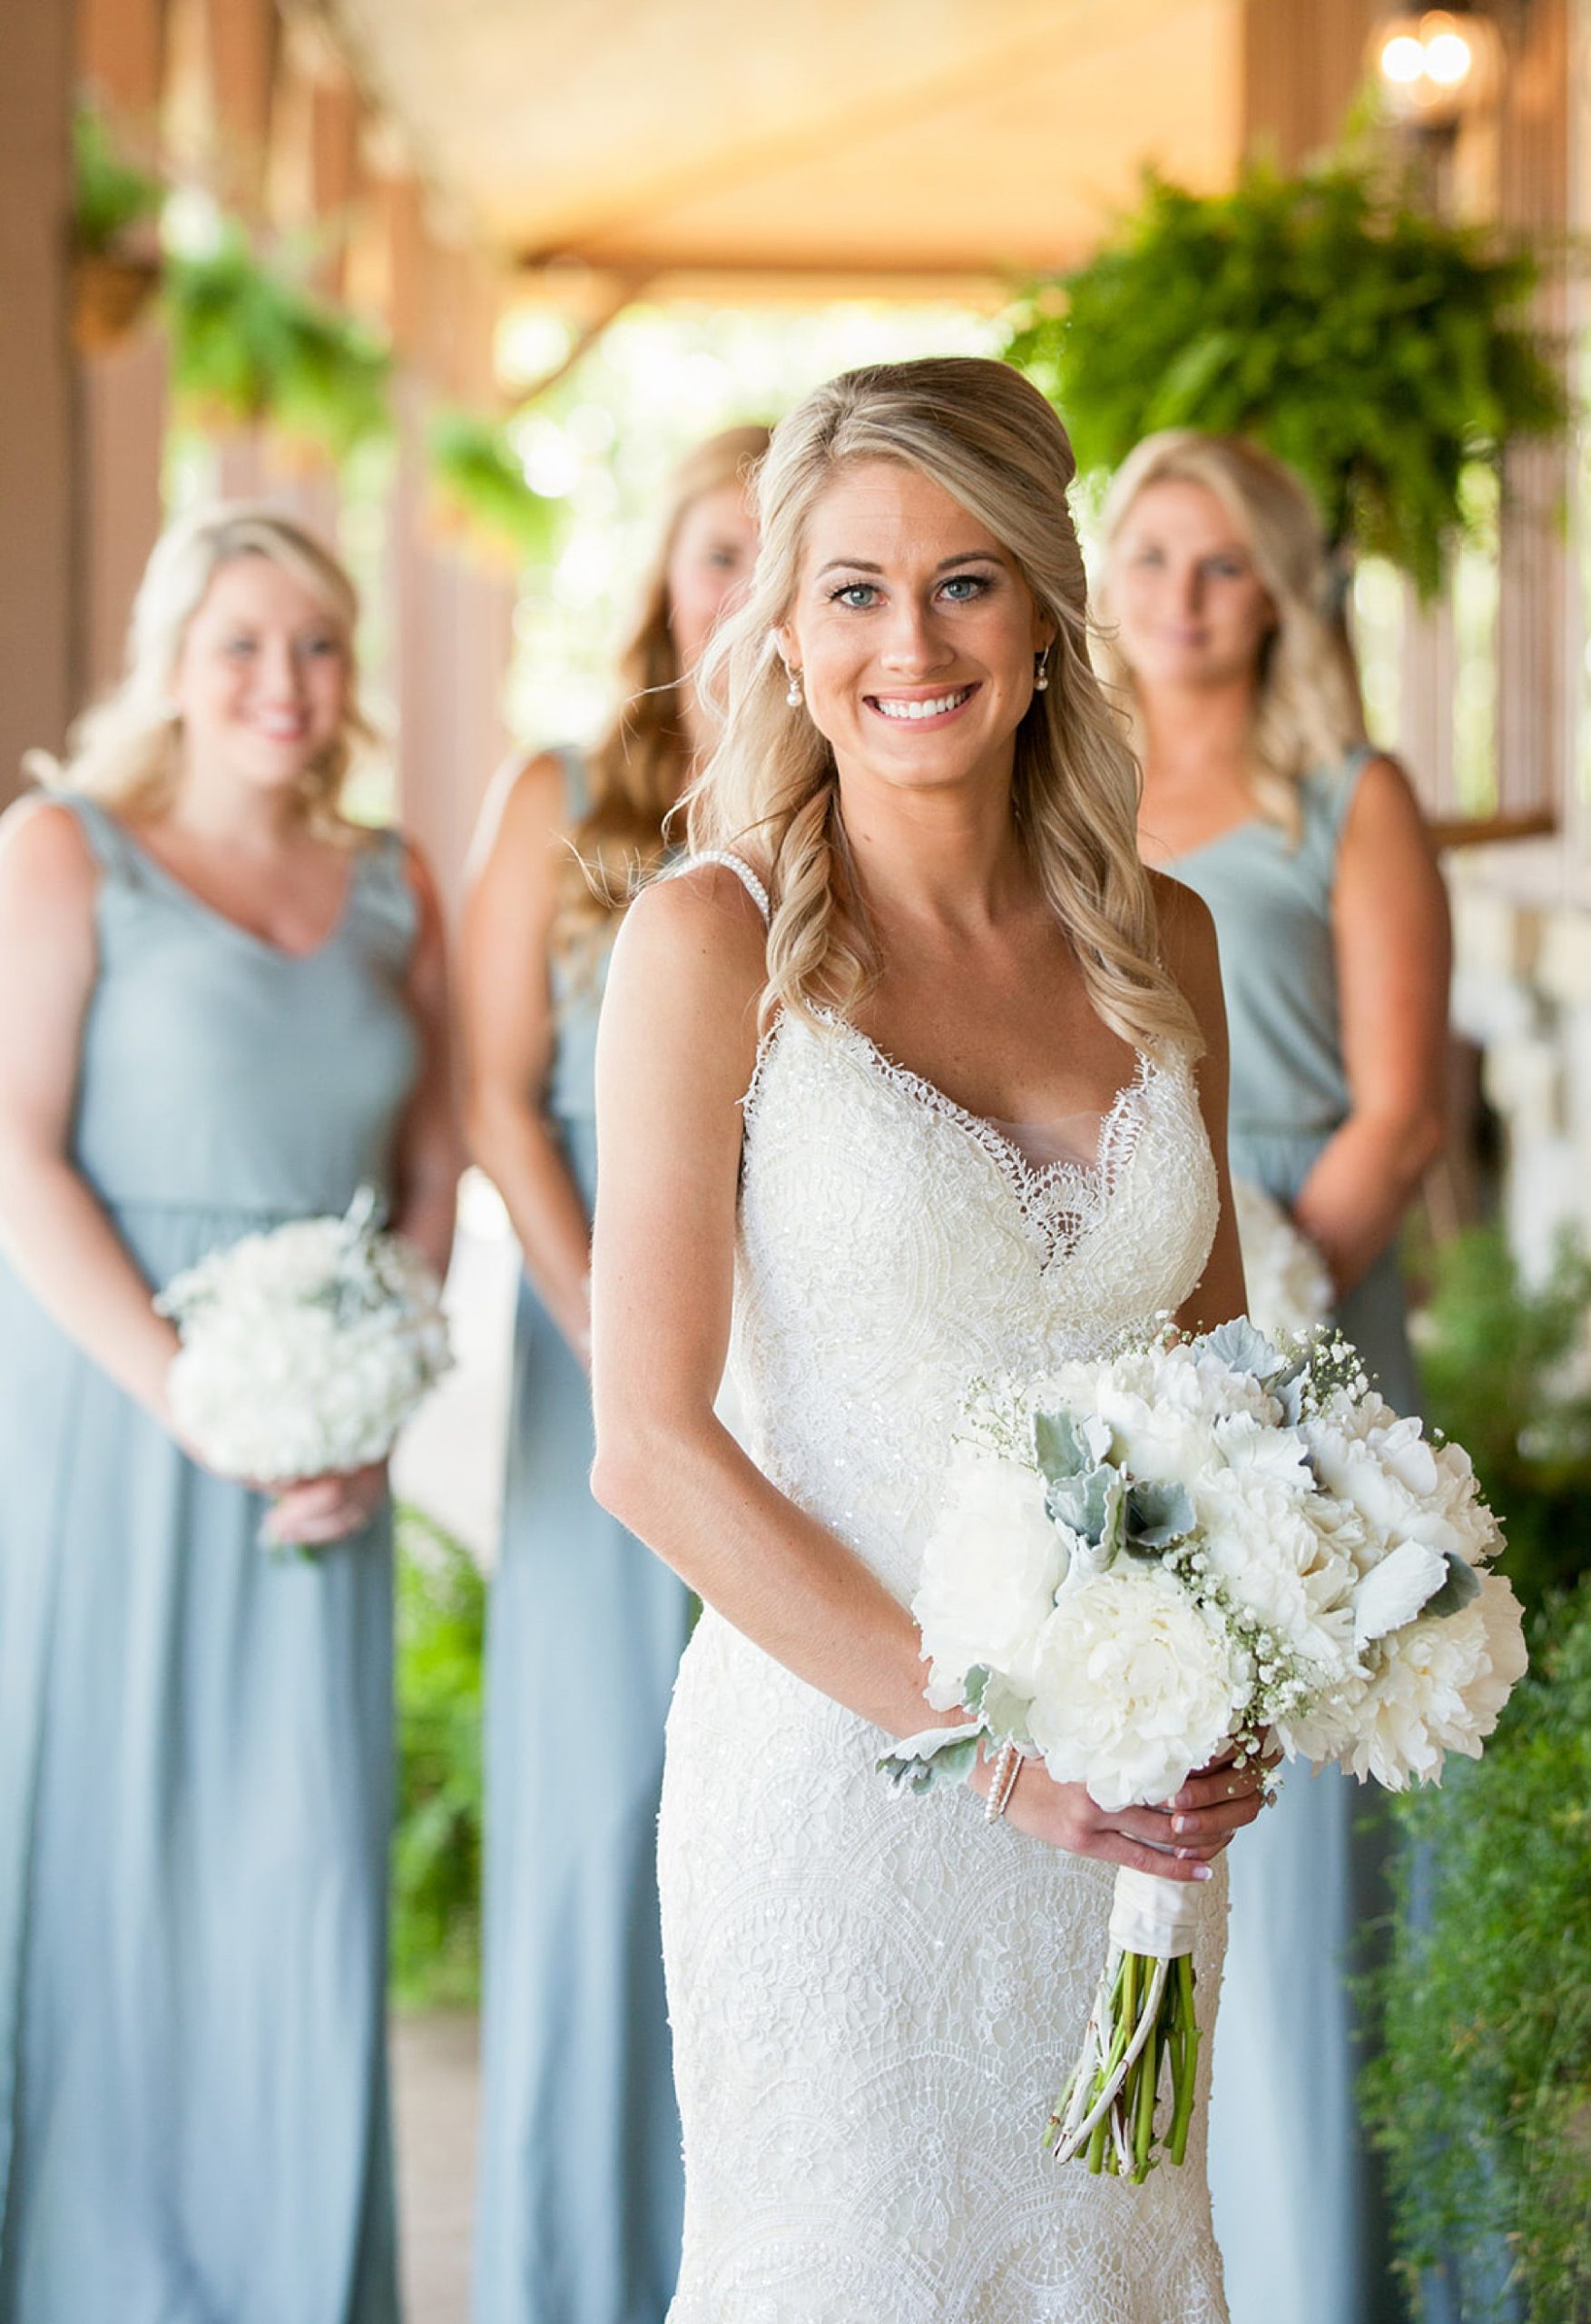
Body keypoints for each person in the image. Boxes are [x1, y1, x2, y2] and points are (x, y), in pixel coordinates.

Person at [587, 358, 1268, 2320]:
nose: (913, 640)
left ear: (1048, 625)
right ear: (785, 635)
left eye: (967, 582)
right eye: (857, 589)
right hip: (846, 1786)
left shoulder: (1168, 943)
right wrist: (987, 1739)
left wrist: (1244, 1669)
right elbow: (648, 1439)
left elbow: (1214, 1396)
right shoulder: (710, 943)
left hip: (1124, 1819)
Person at [0, 505, 457, 2324]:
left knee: (299, 1867)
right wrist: (188, 1393)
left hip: (322, 1443)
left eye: (321, 644)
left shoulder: (394, 884)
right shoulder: (66, 850)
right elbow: (18, 1157)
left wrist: (378, 1389)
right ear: (172, 663)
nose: (286, 681)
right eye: (245, 644)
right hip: (111, 1415)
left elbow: (431, 1171)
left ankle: (287, 2276)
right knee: (98, 1840)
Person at [1099, 428, 1451, 2324]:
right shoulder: (1064, 788)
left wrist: (1272, 1322)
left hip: (1315, 1353)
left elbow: (1398, 1101)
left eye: (1221, 560)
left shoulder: (1348, 793)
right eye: (1149, 551)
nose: (1180, 592)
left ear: (1280, 589)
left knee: (1300, 1854)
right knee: (1141, 1810)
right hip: (1126, 1370)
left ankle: (1319, 2275)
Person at [463, 424, 767, 2324]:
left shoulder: (856, 810)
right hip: (598, 1369)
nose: (741, 592)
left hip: (808, 1407)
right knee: (598, 1828)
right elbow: (498, 1088)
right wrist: (608, 1326)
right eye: (713, 553)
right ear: (664, 580)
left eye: (780, 557)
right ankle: (574, 2273)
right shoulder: (564, 795)